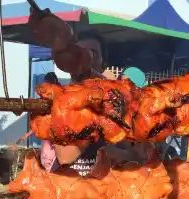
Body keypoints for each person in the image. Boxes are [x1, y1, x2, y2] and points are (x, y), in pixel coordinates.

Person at [39, 30, 146, 174]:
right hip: (68, 186)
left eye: (93, 54)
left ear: (103, 63)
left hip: (108, 186)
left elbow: (131, 149)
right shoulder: (59, 100)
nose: (85, 59)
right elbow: (66, 156)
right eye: (78, 53)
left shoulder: (117, 101)